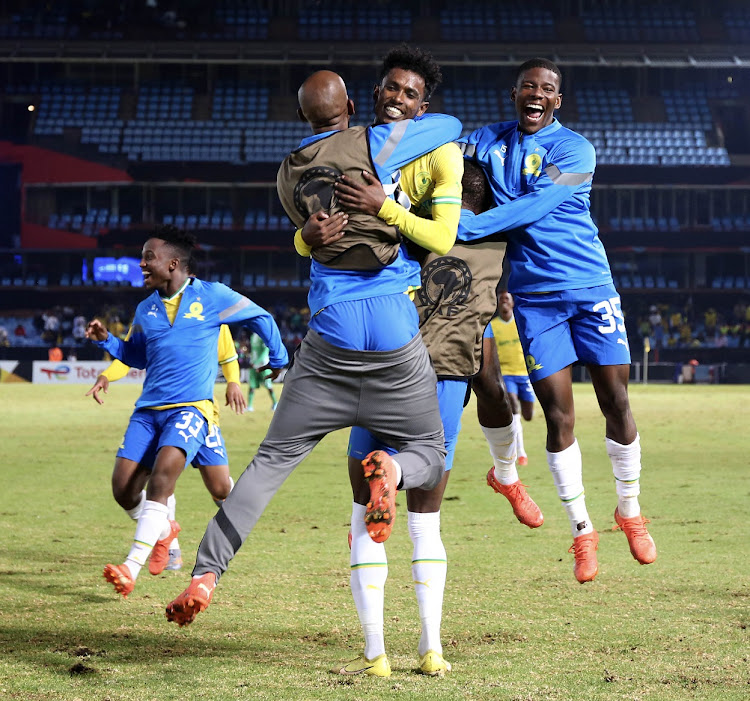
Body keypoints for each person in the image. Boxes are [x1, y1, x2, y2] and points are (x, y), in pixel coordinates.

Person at [165, 68, 462, 642]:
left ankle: (206, 573)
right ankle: (394, 471)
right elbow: (447, 122)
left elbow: (308, 238)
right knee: (429, 450)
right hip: (395, 333)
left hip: (330, 340)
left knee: (270, 463)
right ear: (355, 102)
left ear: (304, 116)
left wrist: (306, 239)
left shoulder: (286, 173)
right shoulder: (378, 141)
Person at [302, 49, 539, 678]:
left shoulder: (399, 197)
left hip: (386, 361)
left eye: (407, 94)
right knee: (424, 516)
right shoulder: (453, 223)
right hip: (418, 366)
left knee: (364, 510)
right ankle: (426, 648)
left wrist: (381, 205)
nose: (394, 100)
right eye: (389, 90)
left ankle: (378, 651)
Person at [457, 57, 656, 583]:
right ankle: (583, 531)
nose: (536, 94)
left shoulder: (575, 150)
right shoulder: (485, 141)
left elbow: (535, 206)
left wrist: (466, 226)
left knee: (616, 401)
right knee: (558, 416)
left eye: (546, 88)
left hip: (592, 291)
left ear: (557, 100)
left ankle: (630, 512)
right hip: (535, 300)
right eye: (528, 85)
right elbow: (438, 150)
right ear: (515, 92)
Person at [86, 225, 288, 598]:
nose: (141, 263)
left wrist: (279, 356)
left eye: (149, 257)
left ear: (173, 263)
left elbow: (260, 317)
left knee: (165, 479)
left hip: (192, 408)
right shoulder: (145, 308)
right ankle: (164, 531)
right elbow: (137, 355)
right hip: (148, 411)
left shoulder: (211, 296)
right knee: (123, 489)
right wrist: (109, 341)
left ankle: (131, 567)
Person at [85, 323, 246, 571]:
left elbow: (228, 357)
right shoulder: (150, 313)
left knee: (220, 486)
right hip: (157, 414)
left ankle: (235, 514)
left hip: (198, 412)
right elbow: (129, 355)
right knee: (157, 479)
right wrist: (106, 375)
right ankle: (165, 539)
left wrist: (233, 382)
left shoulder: (212, 314)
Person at [485, 290, 536, 466]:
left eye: (507, 299)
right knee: (514, 407)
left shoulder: (521, 323)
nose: (504, 302)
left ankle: (521, 426)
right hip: (506, 374)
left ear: (513, 303)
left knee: (528, 415)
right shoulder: (493, 326)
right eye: (501, 300)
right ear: (498, 304)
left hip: (524, 373)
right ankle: (520, 452)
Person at [245, 331, 278, 412]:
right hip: (253, 365)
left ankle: (275, 403)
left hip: (264, 365)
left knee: (268, 386)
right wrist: (252, 360)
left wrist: (257, 362)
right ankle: (249, 406)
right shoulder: (253, 336)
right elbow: (253, 350)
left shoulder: (264, 336)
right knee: (252, 386)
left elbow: (265, 351)